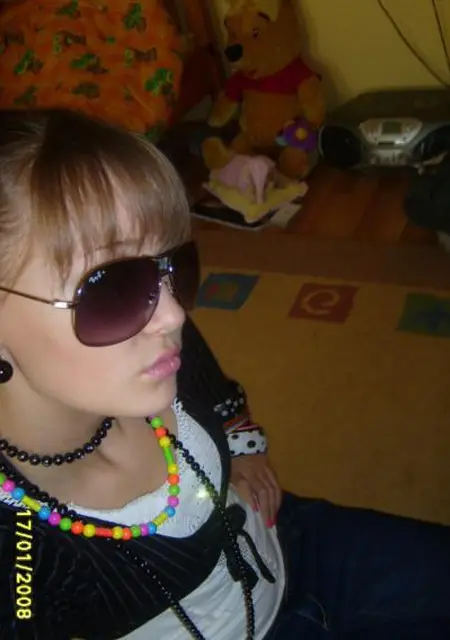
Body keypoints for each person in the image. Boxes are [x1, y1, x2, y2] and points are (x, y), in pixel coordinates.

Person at [0, 108, 448, 640]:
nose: (173, 315)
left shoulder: (150, 348)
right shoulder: (19, 547)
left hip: (290, 539)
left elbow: (210, 381)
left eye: (172, 266)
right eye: (114, 288)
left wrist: (243, 439)